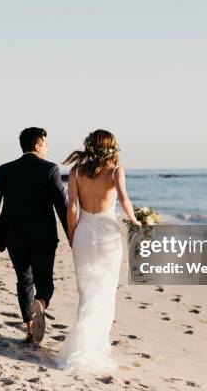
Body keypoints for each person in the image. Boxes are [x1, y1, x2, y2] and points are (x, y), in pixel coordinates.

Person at [56, 129, 140, 371]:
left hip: (84, 232)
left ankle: (84, 345)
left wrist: (72, 235)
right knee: (105, 289)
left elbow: (72, 206)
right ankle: (97, 344)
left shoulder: (76, 171)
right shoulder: (115, 171)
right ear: (111, 147)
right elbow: (124, 200)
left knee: (87, 292)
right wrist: (136, 222)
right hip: (107, 234)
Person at [0, 127, 68, 344]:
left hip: (14, 235)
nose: (47, 148)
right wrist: (72, 235)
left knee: (24, 280)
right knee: (45, 282)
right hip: (44, 235)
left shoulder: (5, 169)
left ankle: (30, 329)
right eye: (46, 144)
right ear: (38, 146)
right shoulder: (50, 169)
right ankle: (41, 302)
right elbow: (61, 205)